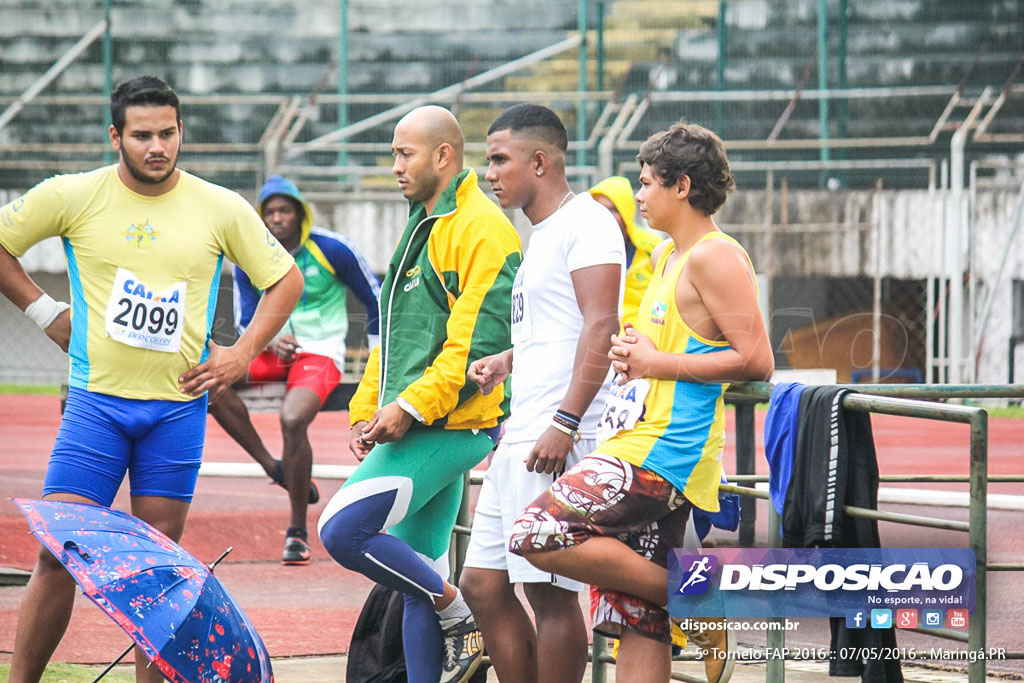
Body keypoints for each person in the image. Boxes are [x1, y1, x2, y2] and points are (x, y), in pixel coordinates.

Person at [0, 75, 303, 683]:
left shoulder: (220, 206)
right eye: (142, 135)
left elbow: (285, 280)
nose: (157, 146)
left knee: (160, 575)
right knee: (57, 555)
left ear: (181, 131)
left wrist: (242, 352)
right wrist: (45, 311)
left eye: (168, 133)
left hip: (176, 410)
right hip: (96, 406)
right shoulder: (73, 195)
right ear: (117, 137)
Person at [510, 122, 774, 683]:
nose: (638, 195)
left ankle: (702, 598)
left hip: (664, 454)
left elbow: (756, 360)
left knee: (537, 534)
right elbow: (669, 346)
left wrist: (656, 363)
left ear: (682, 186)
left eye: (648, 182)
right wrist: (635, 354)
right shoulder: (663, 259)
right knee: (641, 620)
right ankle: (688, 600)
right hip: (638, 438)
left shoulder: (715, 257)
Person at [316, 105, 522, 683]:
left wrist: (407, 409)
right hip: (423, 422)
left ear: (443, 155)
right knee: (413, 580)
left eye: (404, 154)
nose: (395, 166)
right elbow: (394, 330)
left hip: (453, 427)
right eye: (392, 155)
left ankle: (458, 610)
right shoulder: (423, 220)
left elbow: (475, 346)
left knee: (341, 530)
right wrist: (367, 410)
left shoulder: (481, 228)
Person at [459, 104, 624, 683]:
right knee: (480, 583)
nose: (489, 173)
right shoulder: (540, 234)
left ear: (539, 161)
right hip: (523, 430)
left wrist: (567, 421)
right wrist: (509, 360)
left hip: (557, 431)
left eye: (499, 160)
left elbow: (602, 326)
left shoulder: (589, 223)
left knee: (550, 593)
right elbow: (563, 325)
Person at [209, 174, 381, 565]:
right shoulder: (249, 256)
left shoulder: (332, 248)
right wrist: (269, 339)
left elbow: (375, 299)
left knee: (292, 418)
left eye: (285, 210)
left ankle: (297, 530)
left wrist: (377, 356)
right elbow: (246, 319)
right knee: (208, 384)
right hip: (269, 350)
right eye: (269, 212)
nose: (277, 218)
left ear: (300, 213)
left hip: (319, 353)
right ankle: (276, 468)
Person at [589, 175, 663, 325]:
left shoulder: (653, 248)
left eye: (613, 209)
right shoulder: (582, 250)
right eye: (600, 209)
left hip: (643, 339)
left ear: (626, 211)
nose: (606, 216)